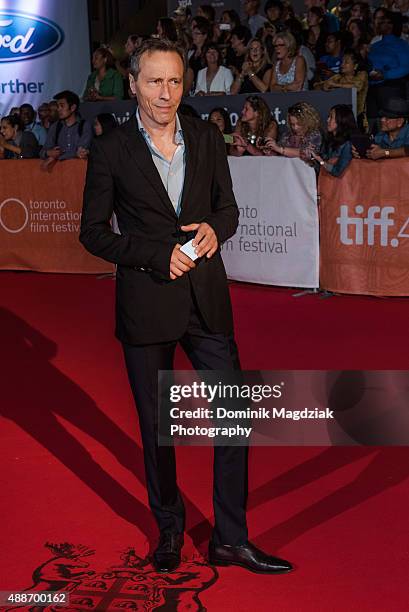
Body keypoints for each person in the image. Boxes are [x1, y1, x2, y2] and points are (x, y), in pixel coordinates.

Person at [80, 37, 293, 576]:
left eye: (175, 81)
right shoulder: (111, 149)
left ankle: (230, 538)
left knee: (234, 416)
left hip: (206, 300)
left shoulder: (205, 136)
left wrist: (214, 233)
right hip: (147, 304)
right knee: (159, 431)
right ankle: (170, 529)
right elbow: (92, 233)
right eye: (154, 81)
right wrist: (156, 255)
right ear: (132, 84)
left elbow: (229, 209)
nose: (165, 93)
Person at [314, 50, 368, 129]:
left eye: (346, 62)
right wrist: (324, 86)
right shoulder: (338, 77)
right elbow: (317, 86)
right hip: (340, 119)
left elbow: (357, 87)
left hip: (357, 118)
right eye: (342, 62)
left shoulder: (362, 74)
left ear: (355, 66)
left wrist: (335, 85)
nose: (342, 65)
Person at [40, 90, 93, 161]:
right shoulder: (55, 127)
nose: (58, 109)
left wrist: (59, 156)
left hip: (80, 170)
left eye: (62, 106)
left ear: (73, 108)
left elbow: (81, 152)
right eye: (58, 106)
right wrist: (48, 153)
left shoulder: (84, 126)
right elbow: (42, 152)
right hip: (60, 171)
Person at [310, 104, 358, 176]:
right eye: (328, 116)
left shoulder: (348, 144)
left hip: (341, 185)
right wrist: (314, 154)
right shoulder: (328, 140)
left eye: (331, 117)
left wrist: (320, 161)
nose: (327, 120)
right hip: (325, 182)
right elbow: (323, 159)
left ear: (341, 120)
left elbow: (337, 171)